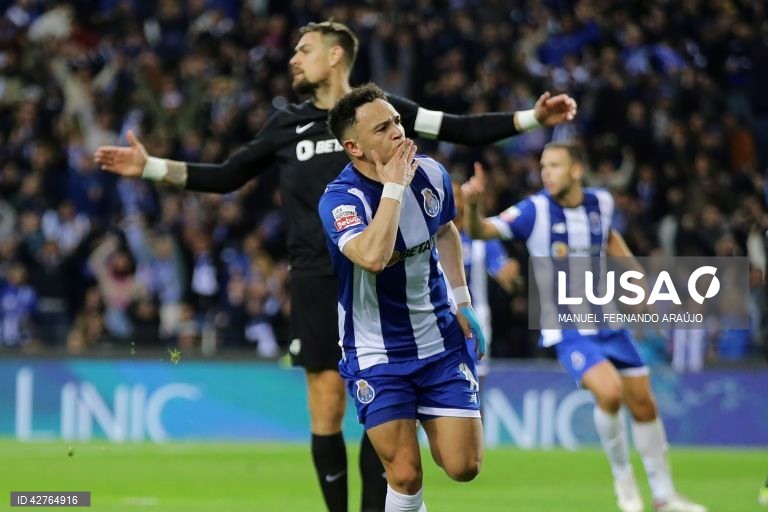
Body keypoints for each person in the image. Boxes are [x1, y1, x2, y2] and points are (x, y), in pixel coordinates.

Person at [93, 20, 576, 512]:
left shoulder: (387, 117)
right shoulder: (288, 125)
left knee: (413, 450)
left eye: (304, 50)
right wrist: (151, 167)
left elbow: (456, 127)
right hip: (321, 279)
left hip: (406, 288)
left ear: (336, 56)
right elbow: (226, 176)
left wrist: (530, 119)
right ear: (353, 146)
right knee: (328, 408)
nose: (293, 60)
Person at [462, 142, 707, 512]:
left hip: (609, 320)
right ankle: (623, 479)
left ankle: (664, 496)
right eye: (543, 166)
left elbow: (608, 237)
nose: (546, 172)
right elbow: (480, 231)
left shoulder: (601, 203)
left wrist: (638, 278)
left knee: (644, 405)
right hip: (567, 326)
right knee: (609, 393)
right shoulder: (534, 210)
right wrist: (476, 204)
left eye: (555, 165)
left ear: (576, 170)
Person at [319, 83, 485, 512]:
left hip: (439, 342)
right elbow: (372, 257)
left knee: (465, 465)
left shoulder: (430, 173)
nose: (397, 131)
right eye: (382, 128)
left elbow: (446, 229)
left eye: (396, 120)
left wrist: (462, 299)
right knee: (406, 474)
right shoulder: (342, 199)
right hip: (376, 352)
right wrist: (392, 188)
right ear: (354, 147)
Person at [450, 169, 520, 383]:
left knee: (474, 388)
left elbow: (510, 282)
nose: (450, 202)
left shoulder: (482, 237)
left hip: (474, 322)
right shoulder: (427, 235)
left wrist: (513, 278)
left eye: (455, 196)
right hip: (434, 321)